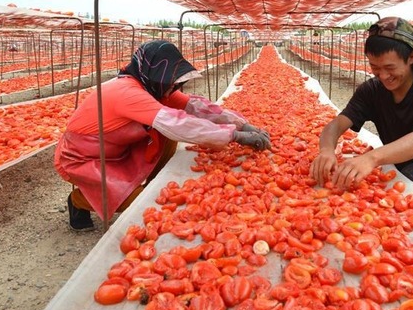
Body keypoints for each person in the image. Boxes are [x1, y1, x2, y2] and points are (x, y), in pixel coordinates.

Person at [55, 40, 270, 231]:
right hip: (81, 157)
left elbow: (196, 108)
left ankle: (150, 185)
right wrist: (235, 136)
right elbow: (177, 123)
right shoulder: (127, 92)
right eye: (170, 81)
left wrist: (242, 124)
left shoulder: (150, 87)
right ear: (154, 74)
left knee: (165, 136)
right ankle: (78, 200)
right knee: (132, 202)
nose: (173, 87)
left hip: (115, 149)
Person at [310, 17, 413, 212]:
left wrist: (371, 158)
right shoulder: (371, 91)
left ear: (411, 58)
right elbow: (335, 126)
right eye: (375, 67)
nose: (383, 76)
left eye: (390, 68)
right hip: (403, 172)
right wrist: (327, 151)